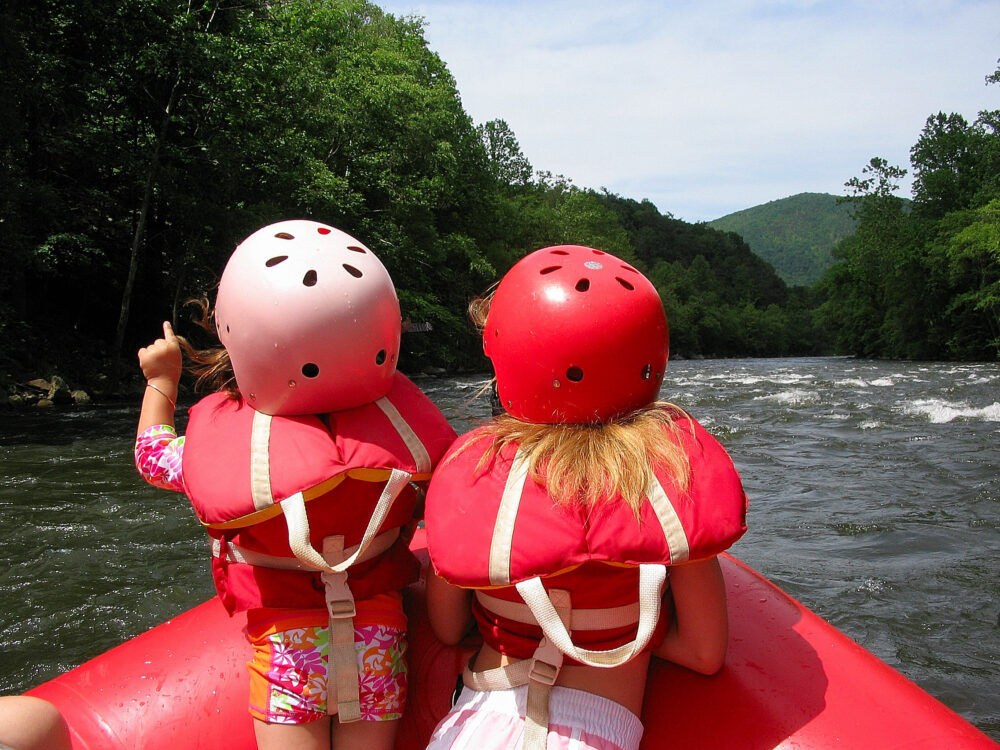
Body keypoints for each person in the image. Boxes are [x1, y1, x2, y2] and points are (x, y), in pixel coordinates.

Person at [135, 220, 456, 750]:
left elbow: (152, 457)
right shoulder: (405, 438)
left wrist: (162, 378)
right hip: (380, 635)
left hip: (287, 645)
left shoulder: (226, 448)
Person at [422, 245, 748, 750]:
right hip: (595, 733)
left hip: (478, 724)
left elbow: (446, 627)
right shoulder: (667, 487)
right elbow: (705, 653)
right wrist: (622, 640)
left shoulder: (476, 473)